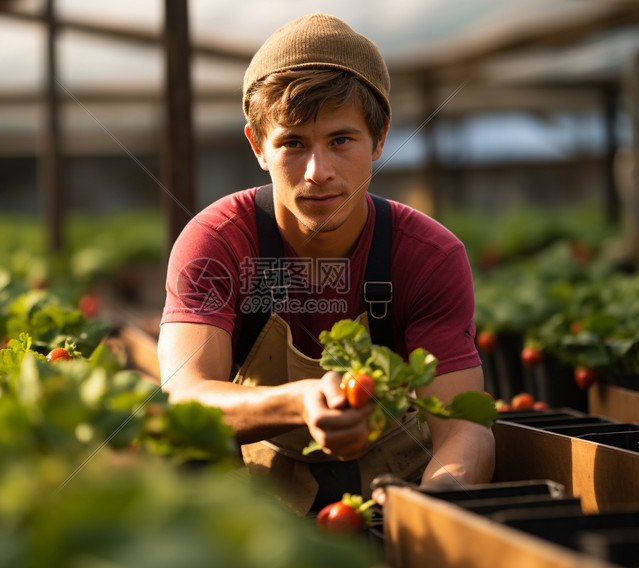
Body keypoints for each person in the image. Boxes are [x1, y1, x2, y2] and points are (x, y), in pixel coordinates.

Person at [157, 12, 495, 515]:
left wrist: (435, 505)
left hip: (397, 486)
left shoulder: (427, 256)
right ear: (258, 147)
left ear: (379, 141)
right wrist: (299, 402)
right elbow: (185, 398)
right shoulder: (219, 242)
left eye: (341, 140)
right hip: (260, 500)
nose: (318, 172)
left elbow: (464, 428)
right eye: (292, 143)